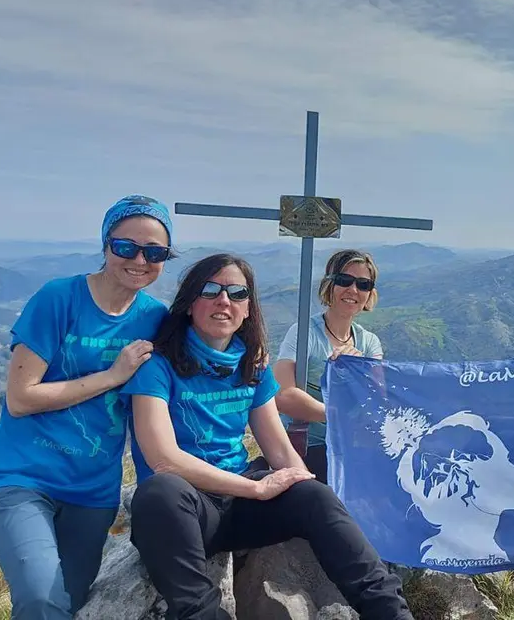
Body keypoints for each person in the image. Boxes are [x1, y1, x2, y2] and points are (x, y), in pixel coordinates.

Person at [121, 253, 412, 620]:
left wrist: (303, 488)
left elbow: (279, 449)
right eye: (210, 290)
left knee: (313, 493)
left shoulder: (251, 366)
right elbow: (163, 459)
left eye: (237, 293)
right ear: (190, 302)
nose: (223, 300)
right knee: (158, 492)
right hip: (188, 509)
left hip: (240, 506)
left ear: (247, 308)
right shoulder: (157, 366)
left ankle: (390, 612)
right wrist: (255, 489)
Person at [0, 195, 174, 619]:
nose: (140, 260)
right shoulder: (59, 298)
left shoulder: (156, 317)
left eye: (154, 252)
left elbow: (194, 364)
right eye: (126, 247)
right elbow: (21, 398)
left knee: (70, 604)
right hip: (22, 477)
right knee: (42, 600)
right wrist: (113, 376)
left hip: (93, 490)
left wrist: (255, 359)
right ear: (105, 245)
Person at [272, 249, 384, 483]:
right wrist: (338, 415)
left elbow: (376, 401)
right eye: (344, 281)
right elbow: (282, 396)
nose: (353, 290)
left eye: (363, 284)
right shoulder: (303, 334)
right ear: (329, 285)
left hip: (352, 447)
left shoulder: (369, 342)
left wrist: (353, 371)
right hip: (307, 448)